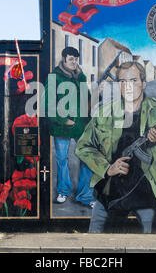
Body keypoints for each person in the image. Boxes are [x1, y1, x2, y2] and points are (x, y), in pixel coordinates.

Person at [76, 61, 156, 233]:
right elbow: (83, 146)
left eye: (133, 80)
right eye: (123, 81)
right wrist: (107, 168)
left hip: (150, 189)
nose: (128, 86)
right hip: (110, 191)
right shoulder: (105, 112)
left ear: (144, 83)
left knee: (151, 243)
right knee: (96, 241)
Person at [43, 46, 95, 208]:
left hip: (81, 125)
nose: (74, 62)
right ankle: (63, 191)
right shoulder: (54, 77)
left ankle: (85, 195)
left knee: (86, 157)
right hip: (62, 127)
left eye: (76, 59)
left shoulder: (80, 77)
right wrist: (62, 119)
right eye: (71, 59)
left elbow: (87, 99)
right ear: (64, 59)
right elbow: (47, 104)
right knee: (62, 159)